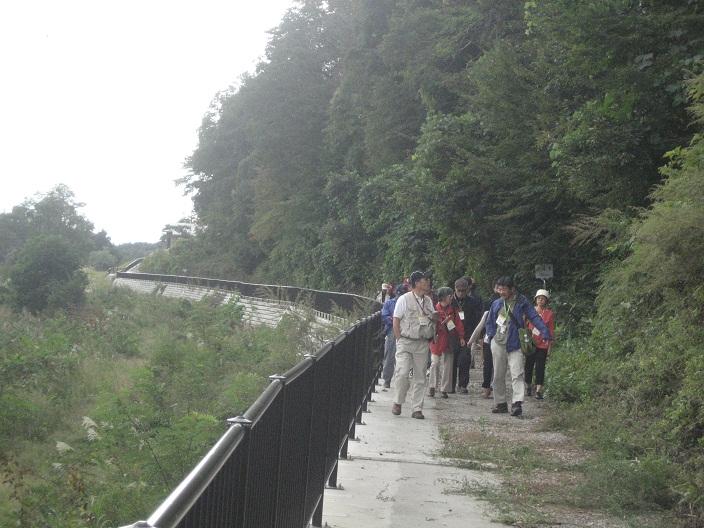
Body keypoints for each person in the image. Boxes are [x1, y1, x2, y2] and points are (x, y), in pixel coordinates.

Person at [485, 276, 552, 417]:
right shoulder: (496, 303)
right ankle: (501, 403)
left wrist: (544, 331)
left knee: (517, 373)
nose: (501, 292)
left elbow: (534, 317)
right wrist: (491, 337)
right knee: (498, 375)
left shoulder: (522, 302)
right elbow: (490, 322)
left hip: (515, 343)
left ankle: (517, 403)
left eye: (503, 289)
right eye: (499, 289)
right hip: (498, 343)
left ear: (512, 289)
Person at [391, 270, 439, 419]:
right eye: (425, 280)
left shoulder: (428, 301)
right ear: (417, 282)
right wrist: (399, 338)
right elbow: (396, 320)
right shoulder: (404, 299)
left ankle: (417, 408)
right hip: (405, 341)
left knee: (420, 376)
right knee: (403, 372)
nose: (428, 282)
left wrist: (435, 318)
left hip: (422, 342)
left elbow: (433, 319)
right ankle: (398, 401)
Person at [428, 287, 465, 399]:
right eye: (449, 296)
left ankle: (444, 389)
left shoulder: (453, 309)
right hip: (437, 339)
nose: (451, 297)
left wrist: (461, 337)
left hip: (449, 339)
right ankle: (432, 386)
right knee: (434, 363)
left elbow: (458, 324)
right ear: (444, 297)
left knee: (448, 365)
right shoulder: (434, 309)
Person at [450, 277, 483, 394]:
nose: (461, 293)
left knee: (465, 360)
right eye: (458, 290)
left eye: (463, 290)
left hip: (467, 335)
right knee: (452, 361)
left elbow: (477, 319)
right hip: (453, 335)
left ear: (468, 290)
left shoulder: (472, 302)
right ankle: (451, 385)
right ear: (455, 289)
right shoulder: (450, 301)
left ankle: (463, 385)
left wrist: (476, 335)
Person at [525, 289, 555, 400]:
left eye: (542, 298)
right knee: (528, 365)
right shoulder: (530, 311)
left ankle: (538, 390)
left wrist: (550, 347)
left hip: (543, 344)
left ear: (546, 301)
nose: (540, 300)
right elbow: (525, 326)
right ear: (535, 300)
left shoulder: (549, 314)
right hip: (531, 343)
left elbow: (551, 330)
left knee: (540, 367)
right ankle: (528, 385)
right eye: (538, 298)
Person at [381, 283, 408, 388]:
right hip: (392, 329)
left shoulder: (408, 304)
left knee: (404, 357)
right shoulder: (389, 303)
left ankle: (400, 380)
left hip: (405, 329)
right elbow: (384, 316)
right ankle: (387, 379)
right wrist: (393, 320)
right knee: (389, 356)